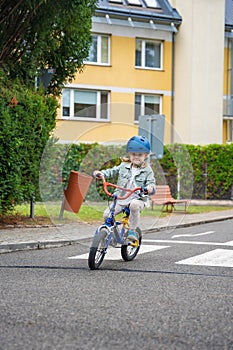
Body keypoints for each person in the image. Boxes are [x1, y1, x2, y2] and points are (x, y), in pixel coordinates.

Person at [93, 135, 156, 242]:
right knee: (107, 215)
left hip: (137, 198)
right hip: (122, 197)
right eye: (133, 154)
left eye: (140, 155)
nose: (136, 157)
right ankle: (113, 234)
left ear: (146, 155)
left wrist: (149, 188)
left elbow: (151, 183)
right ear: (129, 154)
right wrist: (101, 173)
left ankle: (132, 230)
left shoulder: (147, 170)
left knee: (134, 205)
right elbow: (111, 171)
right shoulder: (123, 165)